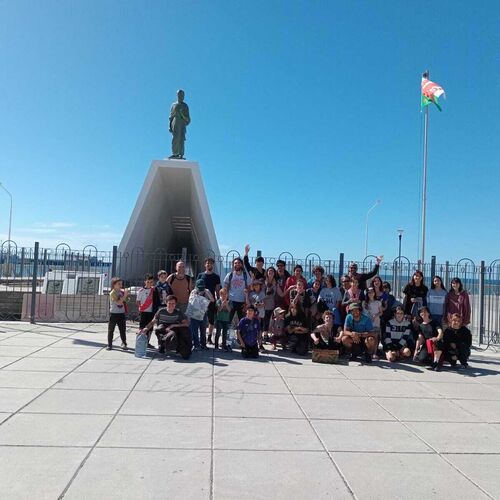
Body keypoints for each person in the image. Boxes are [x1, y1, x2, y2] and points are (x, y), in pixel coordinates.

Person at [142, 295, 192, 359]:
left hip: (173, 328)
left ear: (176, 304)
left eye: (173, 303)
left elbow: (186, 324)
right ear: (166, 303)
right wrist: (146, 328)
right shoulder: (161, 311)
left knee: (184, 330)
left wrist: (173, 325)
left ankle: (180, 348)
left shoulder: (178, 313)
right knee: (162, 330)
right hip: (162, 329)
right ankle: (162, 345)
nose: (171, 305)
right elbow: (153, 322)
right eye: (169, 303)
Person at [197, 257, 221, 344]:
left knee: (211, 320)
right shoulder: (200, 275)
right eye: (207, 263)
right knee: (199, 319)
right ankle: (200, 337)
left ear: (213, 265)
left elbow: (217, 290)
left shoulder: (216, 277)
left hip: (212, 301)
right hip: (201, 300)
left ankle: (209, 337)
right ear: (205, 265)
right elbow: (197, 287)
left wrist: (218, 301)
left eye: (210, 263)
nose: (209, 264)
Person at [413, 306, 444, 371]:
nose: (423, 313)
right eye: (421, 312)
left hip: (436, 342)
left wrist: (437, 338)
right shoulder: (421, 326)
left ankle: (436, 361)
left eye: (425, 311)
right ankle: (433, 363)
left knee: (437, 343)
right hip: (427, 344)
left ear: (428, 313)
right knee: (422, 359)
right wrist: (416, 350)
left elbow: (440, 332)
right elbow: (420, 338)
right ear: (420, 314)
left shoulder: (435, 322)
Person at [187, 279, 214, 350]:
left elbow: (212, 300)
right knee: (194, 330)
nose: (201, 290)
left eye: (202, 288)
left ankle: (203, 344)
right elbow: (190, 301)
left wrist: (207, 293)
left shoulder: (207, 291)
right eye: (199, 288)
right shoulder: (194, 291)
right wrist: (195, 295)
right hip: (194, 313)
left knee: (203, 329)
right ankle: (196, 344)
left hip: (203, 313)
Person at [136, 274, 161, 347]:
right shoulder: (141, 291)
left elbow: (157, 301)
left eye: (151, 282)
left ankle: (147, 342)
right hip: (143, 312)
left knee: (150, 328)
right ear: (145, 282)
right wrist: (140, 309)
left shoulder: (154, 290)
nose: (149, 283)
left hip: (152, 312)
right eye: (148, 282)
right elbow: (138, 301)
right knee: (142, 327)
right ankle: (141, 342)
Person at [223, 257, 249, 323]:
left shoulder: (245, 275)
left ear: (242, 264)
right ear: (233, 265)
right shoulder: (230, 275)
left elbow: (249, 287)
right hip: (231, 301)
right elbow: (225, 288)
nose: (237, 264)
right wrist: (225, 299)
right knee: (228, 321)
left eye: (239, 263)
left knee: (242, 322)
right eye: (235, 263)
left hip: (242, 301)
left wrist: (246, 299)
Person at [107, 277, 129, 351]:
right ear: (114, 285)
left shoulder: (121, 292)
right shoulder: (112, 293)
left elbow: (125, 301)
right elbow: (118, 302)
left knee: (122, 330)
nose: (120, 285)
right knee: (111, 330)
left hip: (121, 313)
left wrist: (126, 296)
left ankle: (124, 343)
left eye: (121, 284)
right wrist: (125, 295)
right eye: (119, 284)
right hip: (114, 313)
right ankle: (109, 344)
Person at [168, 89, 190, 159]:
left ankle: (181, 154)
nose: (181, 96)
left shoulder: (185, 106)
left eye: (182, 95)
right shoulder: (173, 105)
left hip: (182, 124)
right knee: (175, 138)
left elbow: (188, 119)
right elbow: (171, 117)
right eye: (179, 95)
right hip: (175, 123)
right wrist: (169, 126)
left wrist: (182, 115)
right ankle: (175, 153)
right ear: (177, 95)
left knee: (181, 139)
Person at [363, 287, 383, 360]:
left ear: (374, 293)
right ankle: (368, 352)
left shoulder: (378, 302)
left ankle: (374, 353)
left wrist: (376, 315)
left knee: (376, 338)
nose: (370, 293)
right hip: (366, 323)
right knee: (368, 338)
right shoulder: (364, 303)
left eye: (372, 292)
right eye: (369, 292)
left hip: (376, 322)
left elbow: (381, 312)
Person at [263, 267, 281, 337]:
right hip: (263, 304)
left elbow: (281, 294)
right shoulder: (263, 282)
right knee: (264, 320)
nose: (271, 272)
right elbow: (262, 294)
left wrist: (289, 289)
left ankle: (269, 334)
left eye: (272, 271)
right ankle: (264, 335)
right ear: (267, 272)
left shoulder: (276, 283)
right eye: (269, 271)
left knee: (270, 320)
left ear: (274, 273)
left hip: (271, 304)